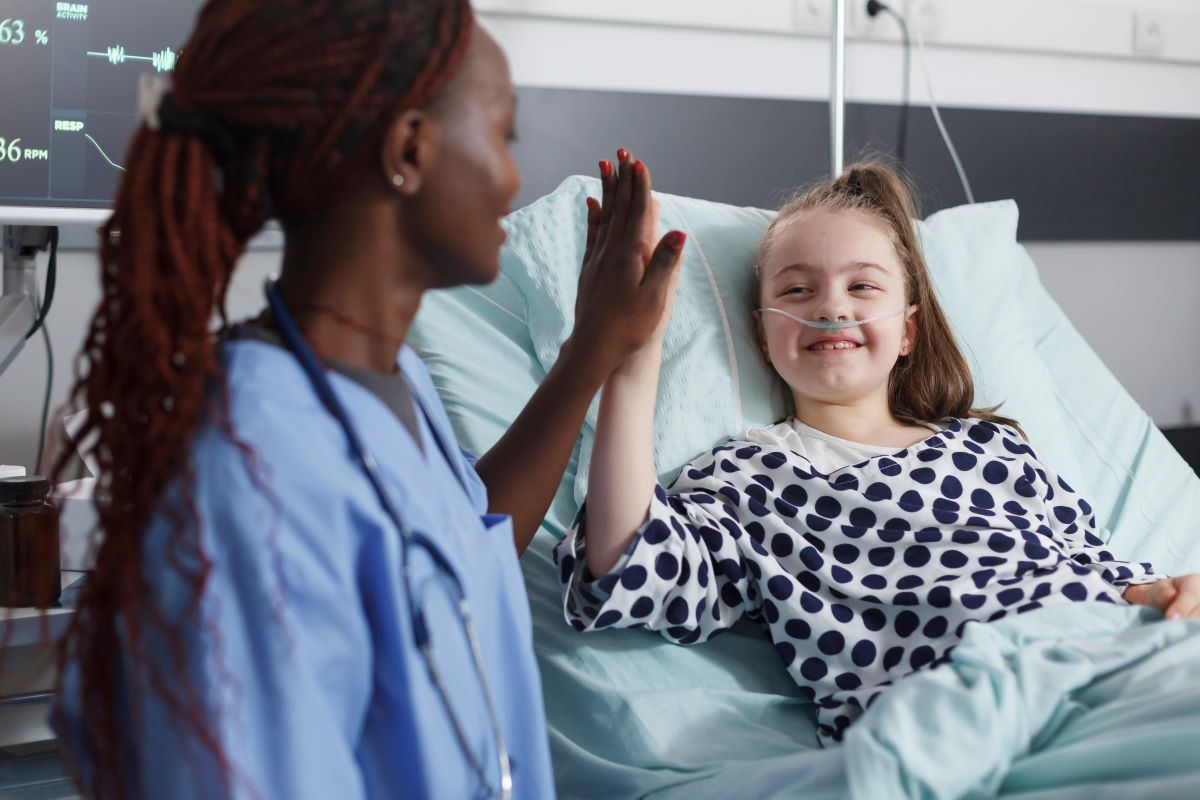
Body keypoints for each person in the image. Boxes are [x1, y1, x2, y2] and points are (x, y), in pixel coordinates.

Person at [47, 1, 685, 797]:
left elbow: (460, 550)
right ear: (408, 150)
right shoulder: (251, 468)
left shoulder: (385, 382)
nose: (515, 178)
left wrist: (594, 347)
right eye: (502, 135)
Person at [556, 160, 1200, 743]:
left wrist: (1171, 594)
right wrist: (631, 360)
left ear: (908, 331)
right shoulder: (751, 481)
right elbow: (626, 562)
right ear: (761, 332)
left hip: (1114, 664)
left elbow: (1100, 570)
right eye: (797, 291)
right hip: (961, 721)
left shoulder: (995, 447)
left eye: (862, 288)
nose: (831, 305)